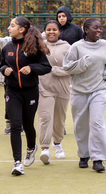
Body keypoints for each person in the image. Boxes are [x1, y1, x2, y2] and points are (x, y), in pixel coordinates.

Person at [63, 18, 106, 173]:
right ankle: (83, 155)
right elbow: (67, 67)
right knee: (81, 125)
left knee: (97, 123)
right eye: (96, 28)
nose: (99, 31)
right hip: (79, 91)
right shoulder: (76, 47)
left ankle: (98, 159)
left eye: (100, 28)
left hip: (99, 90)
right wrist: (81, 64)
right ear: (86, 30)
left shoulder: (105, 45)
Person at [0, 17, 51, 176]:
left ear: (22, 29)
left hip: (30, 92)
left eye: (12, 25)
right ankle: (17, 163)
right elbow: (2, 64)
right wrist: (4, 70)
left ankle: (31, 148)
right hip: (12, 91)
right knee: (15, 125)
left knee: (28, 124)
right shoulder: (7, 47)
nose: (9, 28)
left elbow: (46, 67)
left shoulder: (32, 47)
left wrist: (31, 67)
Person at [37, 20, 71, 165]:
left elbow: (71, 68)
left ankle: (57, 143)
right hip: (44, 88)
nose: (51, 32)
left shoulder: (67, 47)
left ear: (59, 31)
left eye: (54, 29)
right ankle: (44, 148)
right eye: (48, 29)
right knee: (45, 117)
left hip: (62, 89)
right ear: (45, 31)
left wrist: (55, 70)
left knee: (59, 120)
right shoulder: (40, 46)